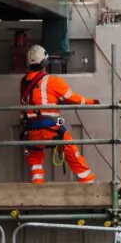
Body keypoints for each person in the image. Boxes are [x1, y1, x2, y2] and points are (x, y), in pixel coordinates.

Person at [18, 43, 98, 183]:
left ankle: (38, 186)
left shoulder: (23, 82)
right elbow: (73, 98)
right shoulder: (51, 81)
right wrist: (93, 102)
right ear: (45, 62)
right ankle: (87, 181)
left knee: (35, 158)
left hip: (30, 131)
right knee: (68, 143)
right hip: (51, 126)